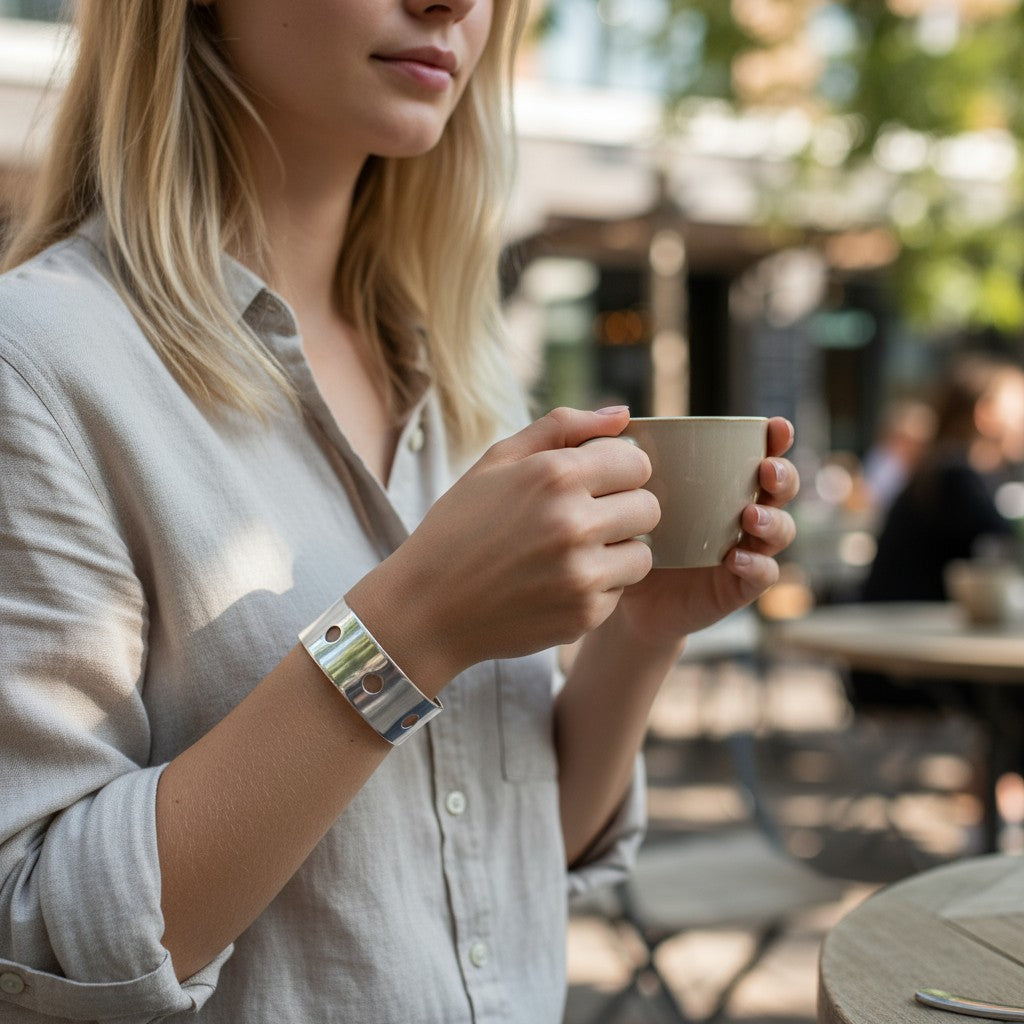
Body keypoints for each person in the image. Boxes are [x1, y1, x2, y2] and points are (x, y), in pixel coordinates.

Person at [0, 2, 799, 1022]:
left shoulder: (464, 378)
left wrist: (640, 637)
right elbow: (32, 939)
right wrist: (408, 631)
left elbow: (494, 861)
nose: (452, 4)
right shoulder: (39, 370)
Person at [850, 349, 1024, 710]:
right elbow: (1010, 551)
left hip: (908, 653)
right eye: (1017, 404)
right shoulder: (954, 477)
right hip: (909, 664)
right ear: (985, 415)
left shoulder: (946, 472)